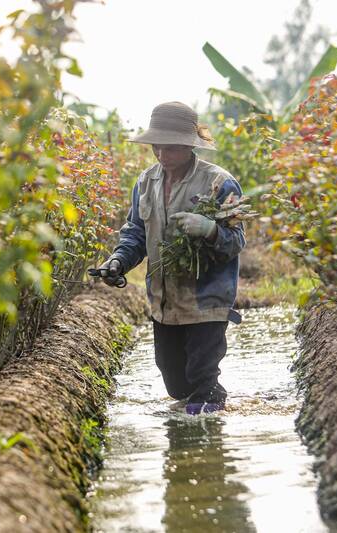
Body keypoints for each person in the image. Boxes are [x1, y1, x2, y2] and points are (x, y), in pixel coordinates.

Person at [99, 101, 245, 414]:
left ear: (188, 146)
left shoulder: (219, 183)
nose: (163, 157)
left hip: (207, 300)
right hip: (164, 299)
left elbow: (236, 241)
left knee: (201, 381)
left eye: (171, 149)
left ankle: (206, 442)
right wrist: (118, 261)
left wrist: (209, 229)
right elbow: (135, 234)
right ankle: (205, 400)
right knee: (176, 383)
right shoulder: (145, 183)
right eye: (157, 149)